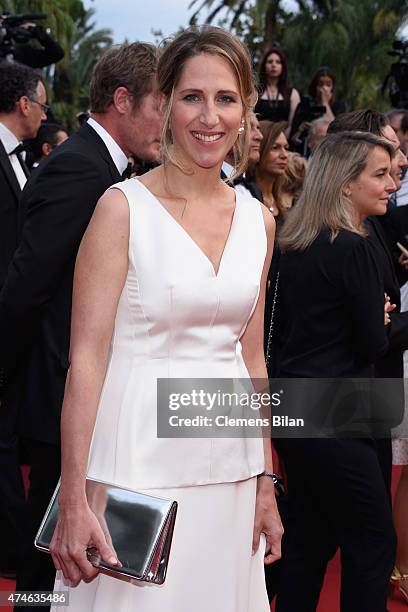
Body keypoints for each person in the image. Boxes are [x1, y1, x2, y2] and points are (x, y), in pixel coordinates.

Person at [50, 25, 283, 612]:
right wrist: (74, 497)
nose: (210, 117)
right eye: (192, 97)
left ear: (245, 109)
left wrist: (265, 480)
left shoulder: (260, 222)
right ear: (166, 103)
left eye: (226, 98)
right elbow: (86, 359)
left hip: (231, 470)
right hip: (134, 465)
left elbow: (251, 358)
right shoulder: (121, 209)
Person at [0, 42, 161, 609]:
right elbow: (26, 289)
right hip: (57, 395)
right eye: (163, 102)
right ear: (124, 100)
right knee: (47, 560)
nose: (172, 119)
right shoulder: (80, 171)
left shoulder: (106, 169)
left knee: (65, 555)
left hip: (79, 391)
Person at [273, 131, 396, 611]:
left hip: (293, 410)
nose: (391, 185)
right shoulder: (354, 247)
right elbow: (373, 344)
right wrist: (387, 319)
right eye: (380, 174)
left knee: (309, 541)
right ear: (346, 183)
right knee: (372, 544)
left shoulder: (293, 243)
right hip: (338, 417)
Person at [0, 59, 46, 579]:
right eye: (42, 99)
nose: (45, 109)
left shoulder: (25, 159)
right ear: (24, 104)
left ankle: (16, 552)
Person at [247, 120, 289, 221]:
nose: (284, 155)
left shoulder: (284, 201)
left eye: (286, 148)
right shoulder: (245, 197)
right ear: (259, 149)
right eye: (275, 148)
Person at [254, 48, 300, 134]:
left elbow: (293, 123)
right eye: (270, 62)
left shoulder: (292, 94)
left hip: (284, 140)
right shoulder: (255, 92)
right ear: (264, 65)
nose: (273, 65)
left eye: (278, 62)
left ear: (283, 66)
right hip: (260, 138)